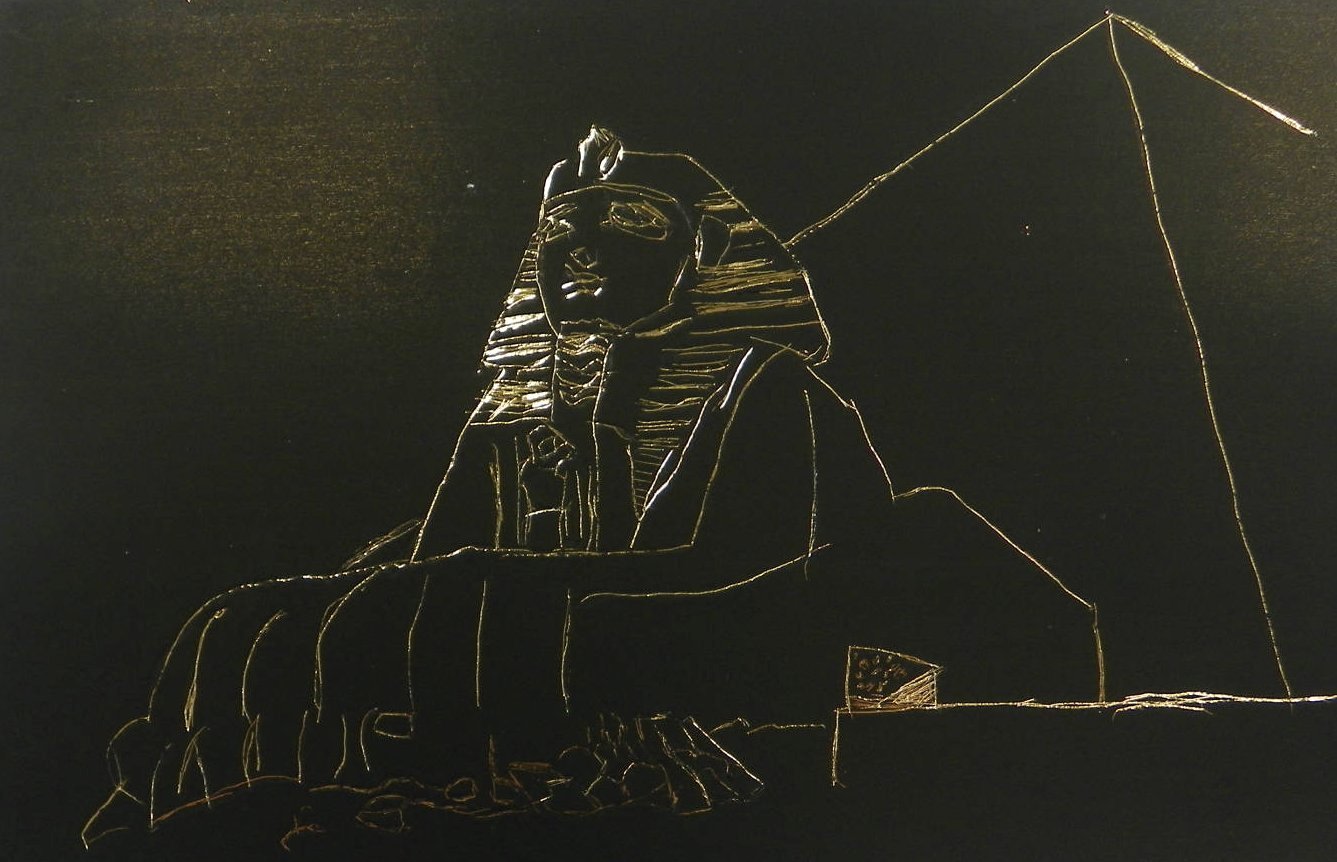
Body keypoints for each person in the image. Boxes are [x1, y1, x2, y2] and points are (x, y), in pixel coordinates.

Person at [84, 128, 1099, 843]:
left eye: (628, 222)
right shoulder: (512, 416)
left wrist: (501, 580)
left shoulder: (766, 387)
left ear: (703, 248)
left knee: (475, 598)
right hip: (590, 632)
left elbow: (750, 575)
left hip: (781, 651)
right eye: (562, 230)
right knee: (249, 618)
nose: (579, 249)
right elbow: (430, 559)